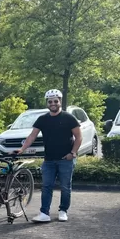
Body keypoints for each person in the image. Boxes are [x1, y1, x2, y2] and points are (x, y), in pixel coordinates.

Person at [16, 89, 82, 223]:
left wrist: (73, 153)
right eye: (50, 101)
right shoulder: (42, 119)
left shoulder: (69, 118)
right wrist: (22, 149)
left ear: (60, 102)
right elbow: (32, 136)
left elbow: (79, 137)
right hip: (49, 160)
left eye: (55, 101)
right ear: (47, 103)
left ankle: (63, 211)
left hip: (65, 159)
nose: (53, 103)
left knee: (65, 186)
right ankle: (44, 213)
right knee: (46, 186)